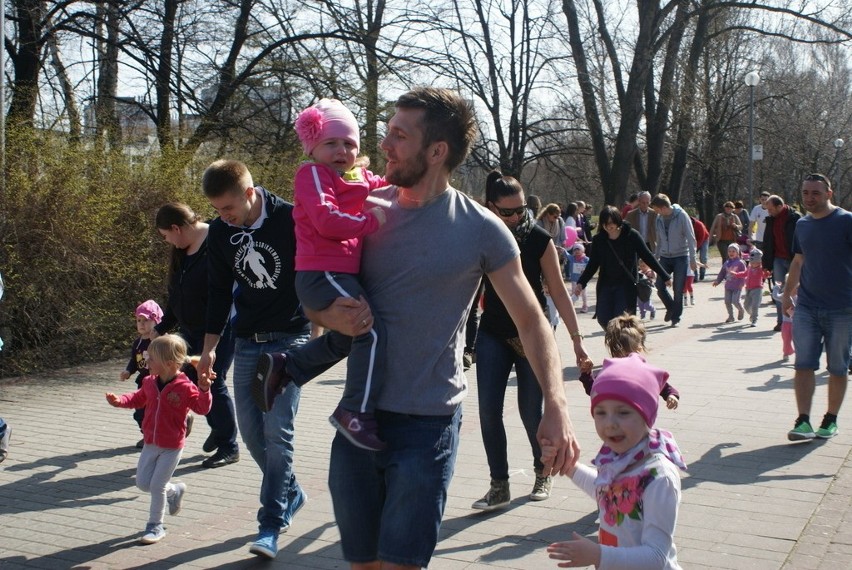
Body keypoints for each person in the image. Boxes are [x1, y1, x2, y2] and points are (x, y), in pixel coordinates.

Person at [306, 87, 580, 569]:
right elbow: (311, 280)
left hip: (426, 426)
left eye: (399, 135)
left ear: (436, 152)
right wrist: (326, 316)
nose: (383, 144)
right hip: (358, 417)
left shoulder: (480, 228)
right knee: (362, 564)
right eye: (388, 132)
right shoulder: (360, 209)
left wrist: (557, 405)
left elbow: (533, 321)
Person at [196, 159, 315, 559]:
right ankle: (291, 492)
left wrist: (319, 329)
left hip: (290, 339)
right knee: (251, 435)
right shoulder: (218, 232)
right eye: (217, 211)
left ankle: (271, 524)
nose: (223, 217)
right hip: (247, 341)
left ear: (250, 193)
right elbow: (217, 290)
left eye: (228, 208)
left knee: (278, 434)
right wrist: (209, 348)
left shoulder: (291, 219)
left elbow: (315, 269)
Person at [256, 98, 389, 452]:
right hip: (320, 271)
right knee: (369, 331)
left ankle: (289, 366)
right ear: (313, 146)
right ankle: (355, 411)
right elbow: (326, 220)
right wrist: (369, 222)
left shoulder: (356, 175)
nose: (341, 150)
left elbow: (386, 185)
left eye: (349, 143)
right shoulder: (311, 174)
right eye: (331, 143)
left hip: (339, 273)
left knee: (349, 337)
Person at [470, 171, 589, 512]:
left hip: (532, 336)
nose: (516, 217)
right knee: (489, 412)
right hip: (493, 332)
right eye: (507, 212)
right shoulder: (482, 238)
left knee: (530, 412)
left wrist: (577, 341)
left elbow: (560, 295)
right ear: (489, 207)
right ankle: (499, 484)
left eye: (521, 210)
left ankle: (543, 471)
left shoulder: (539, 240)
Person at [545, 353, 687, 569]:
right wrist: (569, 466)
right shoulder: (620, 457)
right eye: (600, 412)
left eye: (623, 412)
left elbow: (657, 556)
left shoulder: (659, 477)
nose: (610, 423)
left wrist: (598, 554)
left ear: (646, 415)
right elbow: (610, 496)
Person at [154, 203, 240, 469]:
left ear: (177, 228)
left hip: (219, 329)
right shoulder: (181, 250)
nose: (166, 241)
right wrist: (162, 327)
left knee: (212, 380)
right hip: (190, 330)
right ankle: (214, 425)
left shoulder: (215, 241)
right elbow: (176, 295)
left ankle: (229, 446)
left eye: (166, 235)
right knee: (187, 379)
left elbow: (223, 293)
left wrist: (212, 340)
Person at [105, 334, 212, 544]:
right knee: (143, 483)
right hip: (150, 443)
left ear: (168, 363)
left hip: (172, 446)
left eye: (151, 358)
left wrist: (205, 389)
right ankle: (175, 490)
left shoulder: (185, 387)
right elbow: (137, 399)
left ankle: (156, 526)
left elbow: (202, 408)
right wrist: (120, 401)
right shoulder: (148, 382)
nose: (147, 362)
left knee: (156, 486)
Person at [782, 173, 852, 441]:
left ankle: (830, 420)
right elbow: (799, 261)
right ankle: (803, 421)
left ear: (829, 194)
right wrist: (788, 294)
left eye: (816, 193)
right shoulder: (802, 225)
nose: (810, 198)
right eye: (805, 193)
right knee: (804, 364)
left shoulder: (846, 221)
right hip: (808, 307)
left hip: (842, 308)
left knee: (837, 367)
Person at [575, 206, 671, 330]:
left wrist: (664, 276)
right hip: (606, 285)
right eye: (606, 223)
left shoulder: (631, 236)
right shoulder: (599, 240)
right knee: (603, 318)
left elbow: (647, 256)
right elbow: (593, 264)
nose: (609, 226)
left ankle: (624, 343)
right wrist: (581, 283)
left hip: (625, 285)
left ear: (618, 221)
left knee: (621, 319)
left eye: (612, 223)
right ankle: (619, 339)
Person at [578, 314, 680, 410]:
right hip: (613, 422)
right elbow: (594, 389)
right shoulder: (610, 372)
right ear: (615, 353)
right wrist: (586, 373)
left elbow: (664, 386)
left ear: (639, 349)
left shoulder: (643, 370)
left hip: (639, 421)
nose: (627, 359)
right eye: (622, 355)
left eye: (630, 354)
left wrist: (671, 395)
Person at [120, 300, 167, 448]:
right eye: (139, 320)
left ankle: (165, 433)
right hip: (143, 383)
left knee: (160, 412)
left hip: (160, 383)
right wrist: (128, 371)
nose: (141, 324)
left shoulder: (162, 341)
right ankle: (147, 434)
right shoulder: (137, 343)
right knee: (140, 413)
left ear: (156, 321)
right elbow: (134, 360)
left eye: (146, 320)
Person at [650, 194, 697, 327]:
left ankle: (676, 316)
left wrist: (693, 259)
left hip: (680, 256)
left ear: (664, 207)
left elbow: (691, 237)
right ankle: (671, 307)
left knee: (678, 288)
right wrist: (656, 257)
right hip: (665, 256)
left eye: (657, 209)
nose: (656, 212)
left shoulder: (681, 216)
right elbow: (659, 240)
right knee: (659, 285)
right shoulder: (659, 218)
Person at [762, 195, 802, 332]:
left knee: (795, 291)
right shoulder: (770, 220)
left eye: (771, 209)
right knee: (779, 291)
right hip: (778, 259)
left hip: (794, 260)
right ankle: (782, 321)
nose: (769, 212)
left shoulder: (795, 217)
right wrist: (766, 264)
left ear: (780, 206)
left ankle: (797, 320)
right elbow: (767, 242)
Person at [733, 249, 770, 328]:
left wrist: (767, 274)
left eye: (756, 262)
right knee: (746, 305)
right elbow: (744, 273)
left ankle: (754, 319)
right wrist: (736, 274)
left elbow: (764, 275)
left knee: (755, 305)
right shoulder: (749, 267)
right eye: (752, 262)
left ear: (760, 262)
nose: (753, 264)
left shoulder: (760, 269)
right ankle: (752, 315)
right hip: (748, 289)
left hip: (757, 289)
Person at [712, 244, 747, 323]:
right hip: (728, 285)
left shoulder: (741, 263)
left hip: (737, 285)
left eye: (733, 251)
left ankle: (741, 310)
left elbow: (745, 273)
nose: (731, 253)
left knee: (735, 301)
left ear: (738, 252)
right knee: (727, 301)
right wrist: (717, 281)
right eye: (729, 251)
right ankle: (731, 316)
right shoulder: (726, 263)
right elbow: (722, 273)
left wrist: (742, 283)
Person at [772, 282, 796, 360]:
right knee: (786, 339)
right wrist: (776, 287)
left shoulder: (801, 297)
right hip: (786, 323)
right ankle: (786, 353)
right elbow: (775, 296)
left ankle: (799, 355)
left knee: (798, 341)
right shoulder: (784, 296)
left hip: (797, 324)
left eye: (796, 287)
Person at [566, 244, 589, 313]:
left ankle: (585, 306)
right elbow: (566, 254)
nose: (577, 251)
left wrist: (585, 271)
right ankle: (572, 305)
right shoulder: (572, 258)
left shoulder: (586, 259)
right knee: (573, 292)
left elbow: (590, 266)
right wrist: (561, 249)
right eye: (575, 250)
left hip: (582, 280)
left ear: (582, 250)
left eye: (578, 250)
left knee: (583, 293)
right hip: (574, 279)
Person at [690, 215, 710, 281]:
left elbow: (701, 238)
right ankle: (695, 276)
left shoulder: (699, 225)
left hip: (704, 239)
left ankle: (702, 273)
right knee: (692, 258)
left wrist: (695, 248)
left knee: (703, 257)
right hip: (693, 241)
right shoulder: (684, 225)